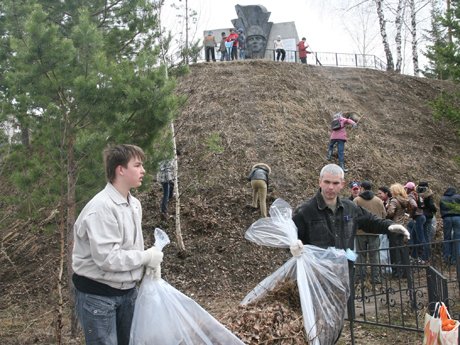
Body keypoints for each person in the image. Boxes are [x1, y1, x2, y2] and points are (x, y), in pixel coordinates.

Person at [291, 164, 409, 344]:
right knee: (316, 322)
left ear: (342, 184)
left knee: (337, 320)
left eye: (335, 183)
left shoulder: (349, 208)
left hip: (344, 273)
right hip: (318, 278)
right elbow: (293, 238)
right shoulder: (305, 211)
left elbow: (370, 220)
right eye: (327, 182)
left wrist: (389, 226)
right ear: (320, 182)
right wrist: (293, 246)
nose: (331, 187)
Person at [72, 144, 164, 345]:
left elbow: (130, 248)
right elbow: (108, 258)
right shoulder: (101, 208)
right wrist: (145, 257)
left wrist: (147, 265)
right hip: (98, 296)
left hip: (127, 293)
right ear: (120, 170)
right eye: (137, 165)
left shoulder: (134, 204)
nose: (143, 171)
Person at [354, 181, 387, 284]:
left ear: (362, 188)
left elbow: (353, 215)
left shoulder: (357, 200)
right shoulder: (378, 201)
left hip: (360, 232)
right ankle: (375, 278)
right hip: (374, 232)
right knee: (375, 255)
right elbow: (384, 215)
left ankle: (360, 278)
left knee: (360, 255)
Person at [387, 183, 410, 278]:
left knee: (394, 250)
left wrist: (386, 210)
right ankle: (405, 272)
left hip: (395, 227)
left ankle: (397, 272)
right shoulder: (405, 200)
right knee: (402, 249)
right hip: (403, 226)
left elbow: (390, 213)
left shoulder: (394, 201)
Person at [405, 181, 429, 263]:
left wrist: (412, 214)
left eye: (406, 188)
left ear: (409, 189)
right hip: (422, 216)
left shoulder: (410, 196)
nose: (405, 190)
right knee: (414, 237)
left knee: (420, 238)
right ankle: (414, 257)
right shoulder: (417, 194)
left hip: (418, 217)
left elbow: (414, 205)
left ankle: (423, 258)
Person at [440, 186, 460, 264]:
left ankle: (446, 258)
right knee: (457, 238)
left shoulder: (442, 198)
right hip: (457, 218)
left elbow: (441, 208)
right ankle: (455, 259)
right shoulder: (458, 197)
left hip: (447, 218)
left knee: (447, 238)